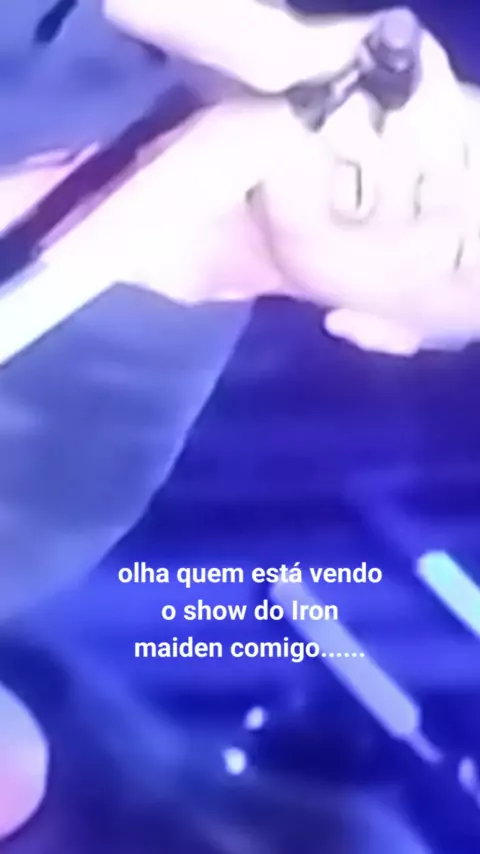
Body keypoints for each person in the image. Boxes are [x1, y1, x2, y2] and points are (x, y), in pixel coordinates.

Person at [0, 0, 479, 841]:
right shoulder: (115, 42)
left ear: (386, 334)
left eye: (462, 253)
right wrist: (243, 38)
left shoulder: (67, 484)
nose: (439, 194)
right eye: (471, 156)